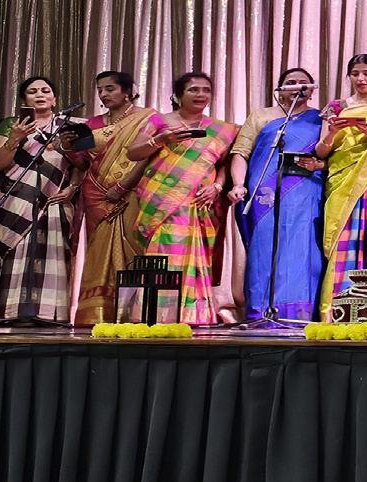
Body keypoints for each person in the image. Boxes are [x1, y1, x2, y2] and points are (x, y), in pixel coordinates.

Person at [125, 72, 240, 324]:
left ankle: (192, 314)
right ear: (178, 95)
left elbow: (225, 163)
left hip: (199, 201)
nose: (201, 95)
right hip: (160, 199)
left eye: (206, 90)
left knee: (195, 255)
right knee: (163, 252)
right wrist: (160, 140)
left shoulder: (221, 129)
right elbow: (133, 153)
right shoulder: (160, 121)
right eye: (193, 90)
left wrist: (218, 186)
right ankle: (157, 313)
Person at [229, 67, 327, 322]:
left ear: (312, 90)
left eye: (304, 83)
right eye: (291, 82)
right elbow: (241, 153)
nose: (298, 87)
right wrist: (238, 184)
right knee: (263, 250)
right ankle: (260, 312)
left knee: (301, 249)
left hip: (305, 193)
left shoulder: (321, 119)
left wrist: (320, 165)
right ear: (280, 89)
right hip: (264, 195)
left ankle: (297, 314)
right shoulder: (261, 116)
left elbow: (332, 156)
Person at [0, 75, 88, 324]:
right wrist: (15, 138)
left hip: (55, 197)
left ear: (54, 99)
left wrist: (73, 187)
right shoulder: (11, 124)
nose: (40, 95)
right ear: (24, 99)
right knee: (18, 251)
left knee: (53, 251)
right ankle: (14, 313)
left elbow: (83, 164)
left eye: (45, 91)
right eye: (33, 91)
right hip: (17, 198)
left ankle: (51, 313)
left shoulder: (70, 125)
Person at [315, 54, 367, 315]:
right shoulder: (336, 107)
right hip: (340, 180)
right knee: (342, 240)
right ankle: (336, 309)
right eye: (355, 74)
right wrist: (332, 133)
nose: (361, 79)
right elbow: (321, 151)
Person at [74, 71, 156, 325]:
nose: (103, 94)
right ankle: (98, 313)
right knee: (98, 252)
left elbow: (149, 156)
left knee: (133, 246)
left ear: (127, 91)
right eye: (100, 90)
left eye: (110, 89)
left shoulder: (149, 119)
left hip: (133, 193)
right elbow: (81, 163)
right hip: (96, 195)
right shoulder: (92, 124)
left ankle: (133, 312)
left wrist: (123, 186)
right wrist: (67, 146)